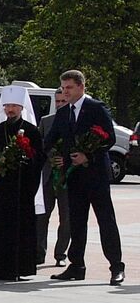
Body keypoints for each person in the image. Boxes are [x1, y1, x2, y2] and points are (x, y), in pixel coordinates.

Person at [45, 70, 125, 285]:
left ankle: (116, 266)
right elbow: (50, 140)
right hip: (74, 177)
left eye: (69, 87)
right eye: (63, 88)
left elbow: (109, 137)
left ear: (81, 87)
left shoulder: (96, 108)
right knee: (77, 222)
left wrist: (87, 155)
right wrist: (57, 157)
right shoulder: (63, 113)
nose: (65, 92)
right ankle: (76, 265)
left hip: (96, 174)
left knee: (105, 220)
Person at [0, 86, 44, 281]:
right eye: (7, 106)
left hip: (20, 190)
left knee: (19, 228)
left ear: (21, 107)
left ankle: (19, 268)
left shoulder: (31, 131)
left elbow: (38, 159)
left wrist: (23, 164)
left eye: (14, 106)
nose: (10, 110)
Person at [36, 89, 71, 268]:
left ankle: (61, 254)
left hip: (67, 178)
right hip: (48, 176)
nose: (59, 105)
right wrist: (50, 154)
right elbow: (39, 146)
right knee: (42, 216)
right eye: (57, 101)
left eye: (63, 101)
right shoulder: (46, 121)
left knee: (66, 218)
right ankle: (38, 253)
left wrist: (66, 159)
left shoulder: (74, 121)